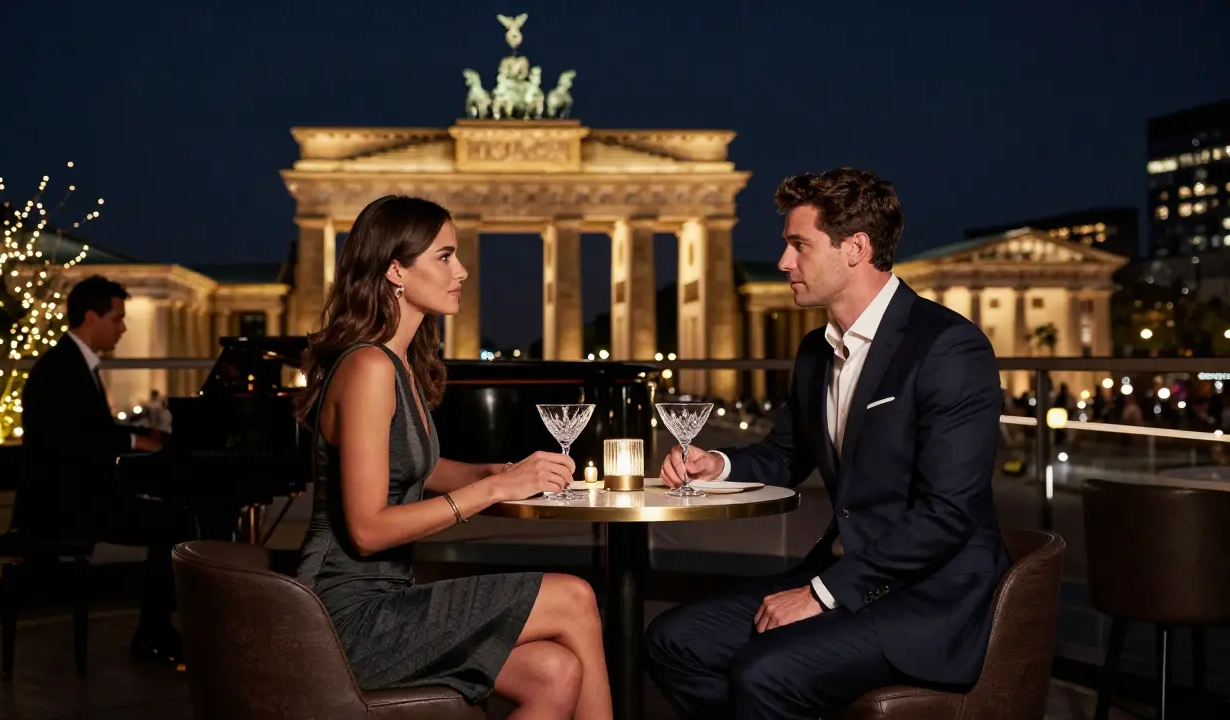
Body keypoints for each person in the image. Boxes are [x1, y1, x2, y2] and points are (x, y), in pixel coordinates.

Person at [645, 168, 1011, 719]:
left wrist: (821, 594)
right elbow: (785, 456)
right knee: (673, 640)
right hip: (841, 576)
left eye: (799, 245)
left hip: (927, 599)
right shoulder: (817, 351)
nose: (784, 262)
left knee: (764, 672)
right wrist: (713, 463)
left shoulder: (948, 348)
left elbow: (946, 514)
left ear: (856, 248)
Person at [293, 195, 612, 718]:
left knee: (556, 672)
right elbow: (368, 529)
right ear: (396, 269)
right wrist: (492, 491)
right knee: (574, 597)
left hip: (386, 597)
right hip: (342, 615)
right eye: (444, 257)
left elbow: (406, 466)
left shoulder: (396, 362)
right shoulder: (371, 367)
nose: (461, 270)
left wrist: (489, 471)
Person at [13, 274, 190, 668]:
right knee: (174, 523)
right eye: (117, 318)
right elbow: (75, 439)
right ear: (90, 317)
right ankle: (155, 634)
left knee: (173, 518)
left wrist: (138, 435)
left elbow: (90, 430)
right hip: (62, 504)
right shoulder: (60, 369)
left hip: (76, 494)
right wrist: (134, 441)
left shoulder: (71, 363)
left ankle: (159, 631)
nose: (123, 328)